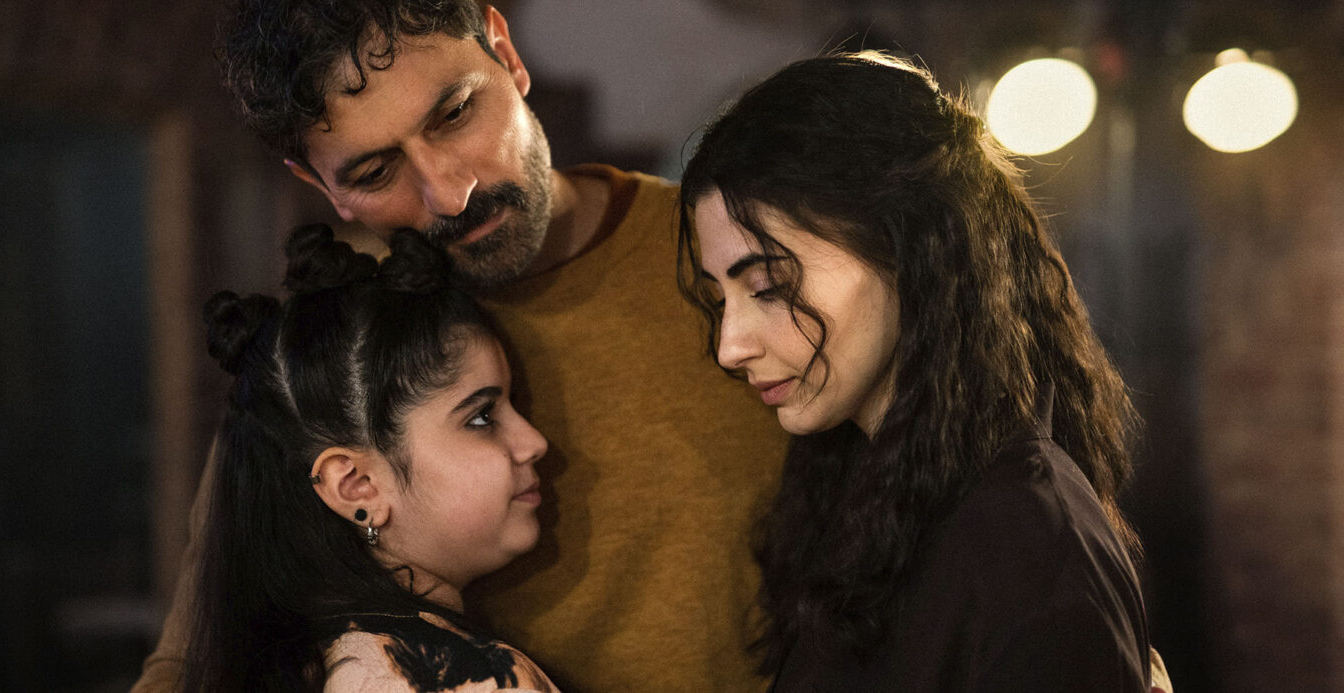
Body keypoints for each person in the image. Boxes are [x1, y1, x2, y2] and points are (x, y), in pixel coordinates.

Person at [133, 1, 787, 690]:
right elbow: (192, 661)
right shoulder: (331, 357)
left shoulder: (736, 266)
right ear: (319, 185)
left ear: (506, 53)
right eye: (375, 171)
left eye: (453, 114)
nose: (449, 194)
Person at [677, 52, 1161, 691]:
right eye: (720, 299)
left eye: (769, 287)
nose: (730, 348)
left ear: (909, 250)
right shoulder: (869, 481)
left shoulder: (1025, 544)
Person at [184, 224, 557, 691]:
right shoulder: (463, 677)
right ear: (357, 485)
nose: (534, 441)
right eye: (481, 417)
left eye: (513, 405)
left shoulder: (313, 661)